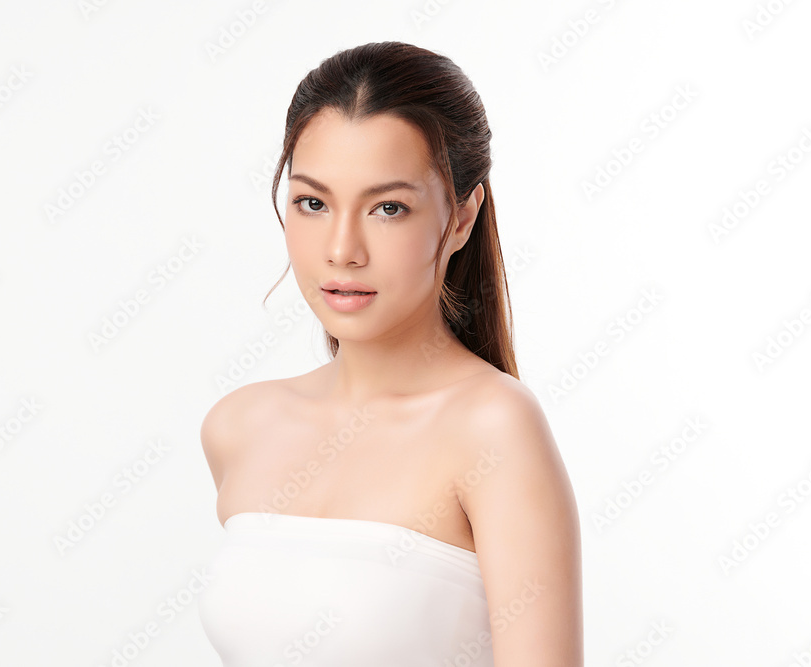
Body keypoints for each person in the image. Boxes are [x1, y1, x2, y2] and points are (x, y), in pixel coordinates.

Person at [197, 41, 583, 667]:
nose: (342, 250)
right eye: (313, 203)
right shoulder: (240, 426)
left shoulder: (493, 428)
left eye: (388, 208)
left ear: (462, 217)